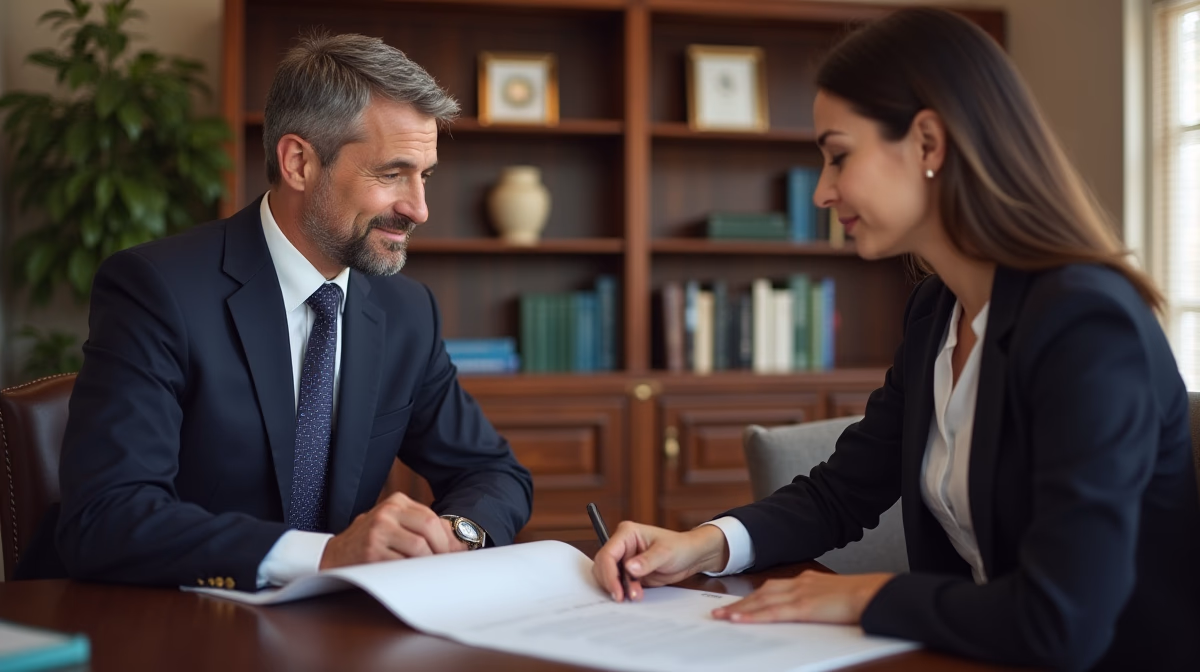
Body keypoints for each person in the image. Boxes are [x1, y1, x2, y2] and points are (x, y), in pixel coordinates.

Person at [593, 8, 1200, 671]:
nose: (823, 191)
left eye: (839, 155)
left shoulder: (1086, 323)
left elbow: (1064, 622)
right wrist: (703, 544)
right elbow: (842, 492)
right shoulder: (938, 309)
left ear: (929, 144)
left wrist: (861, 594)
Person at [52, 33, 533, 591]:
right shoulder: (156, 289)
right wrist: (324, 556)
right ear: (299, 162)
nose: (419, 209)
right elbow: (106, 518)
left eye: (424, 174)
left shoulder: (408, 311)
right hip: (174, 621)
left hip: (336, 631)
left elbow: (494, 472)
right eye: (391, 173)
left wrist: (455, 535)